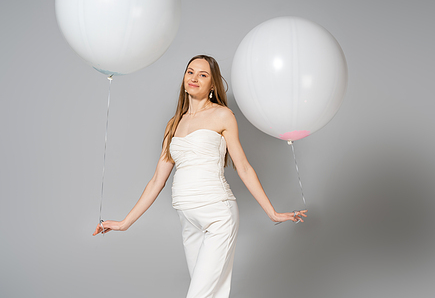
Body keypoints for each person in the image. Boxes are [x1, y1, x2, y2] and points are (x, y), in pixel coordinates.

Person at [93, 55, 307, 298]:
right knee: (212, 295)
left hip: (218, 215)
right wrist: (124, 223)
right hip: (188, 220)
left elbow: (244, 167)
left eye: (203, 75)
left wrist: (272, 213)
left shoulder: (223, 115)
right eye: (190, 72)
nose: (194, 78)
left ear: (213, 84)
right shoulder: (173, 124)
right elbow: (157, 180)